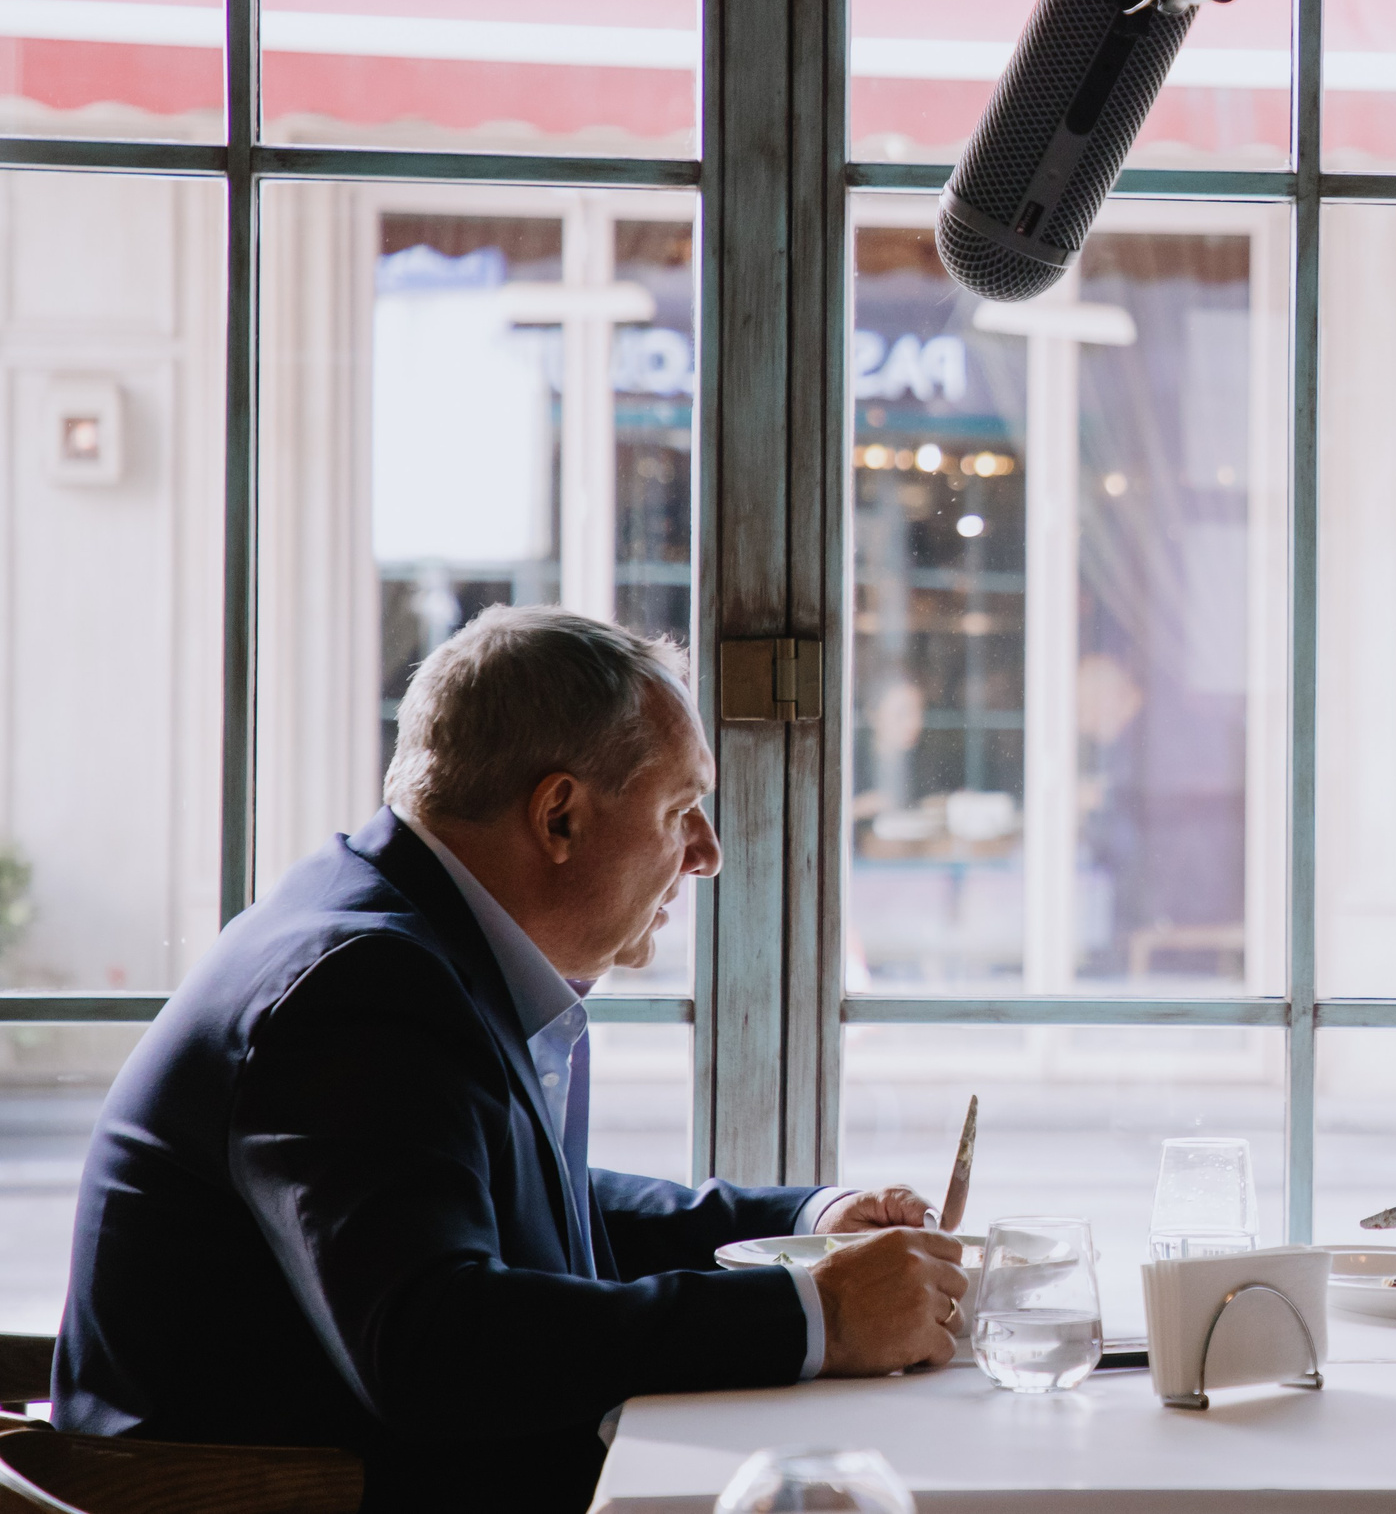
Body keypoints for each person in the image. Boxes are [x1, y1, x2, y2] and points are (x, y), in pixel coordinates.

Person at [53, 608, 967, 1513]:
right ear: (559, 814)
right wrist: (818, 1316)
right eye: (682, 808)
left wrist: (810, 1223)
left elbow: (505, 1197)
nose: (708, 854)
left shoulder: (390, 935)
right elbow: (435, 1347)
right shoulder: (360, 985)